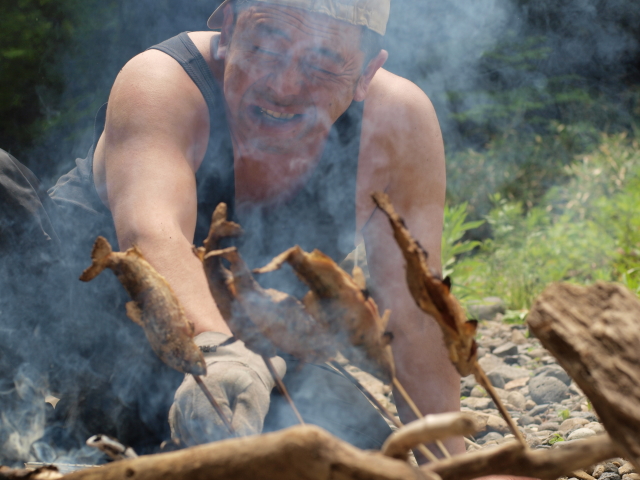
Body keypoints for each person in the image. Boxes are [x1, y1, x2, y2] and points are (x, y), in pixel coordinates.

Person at [0, 0, 536, 476]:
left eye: (325, 62)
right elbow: (152, 233)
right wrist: (220, 354)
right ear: (228, 28)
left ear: (367, 73)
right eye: (267, 43)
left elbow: (416, 311)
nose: (283, 85)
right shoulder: (162, 82)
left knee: (346, 452)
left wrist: (460, 466)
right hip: (72, 313)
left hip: (251, 348)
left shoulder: (396, 124)